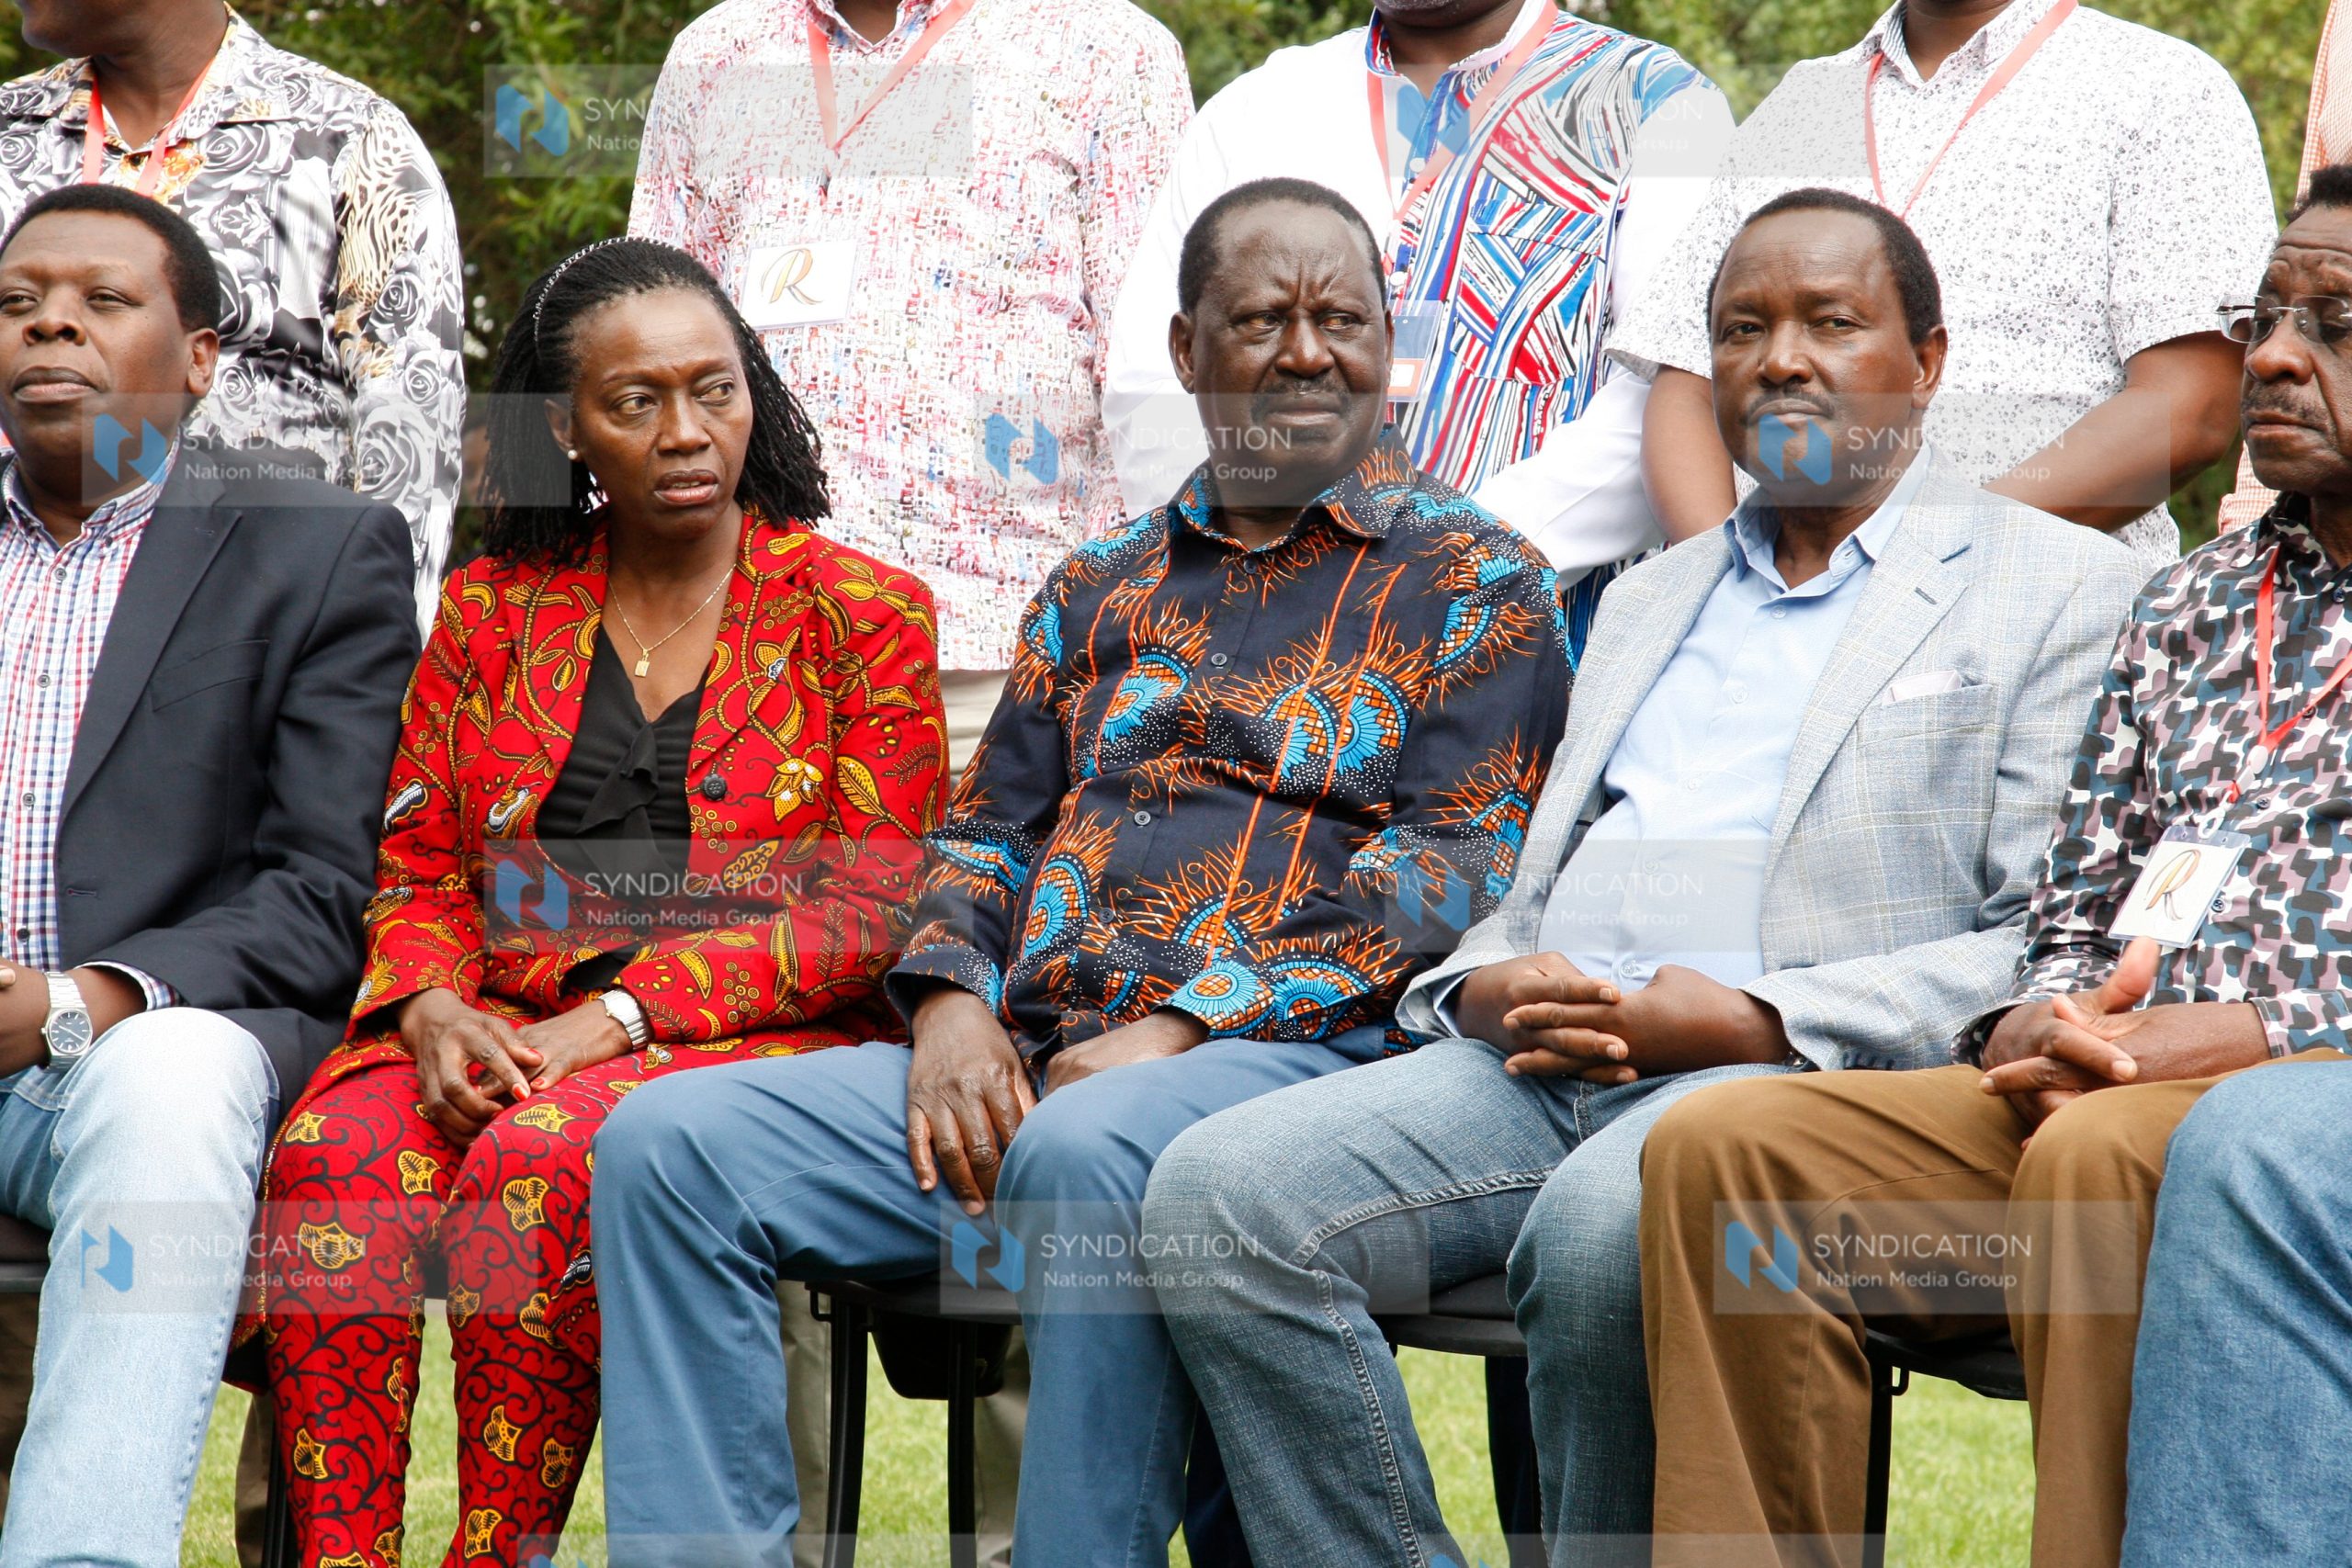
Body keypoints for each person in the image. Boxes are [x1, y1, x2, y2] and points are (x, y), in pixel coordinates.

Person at [1144, 189, 2146, 1568]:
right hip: (1544, 1053)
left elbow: (2046, 939)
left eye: (1830, 323)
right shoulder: (1651, 593)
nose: (1780, 359)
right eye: (1743, 329)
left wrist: (1755, 1019)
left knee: (1608, 1225)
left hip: (1783, 1078)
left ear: (1928, 361)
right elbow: (1539, 869)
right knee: (1215, 1195)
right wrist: (1483, 981)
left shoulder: (2061, 587)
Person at [584, 178, 1570, 1568]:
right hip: (1026, 1058)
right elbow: (983, 836)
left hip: (1292, 1059)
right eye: (1260, 318)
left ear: (1386, 345)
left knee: (1088, 1147)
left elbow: (1442, 880)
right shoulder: (1097, 582)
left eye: (1341, 317)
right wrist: (947, 1007)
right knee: (666, 1146)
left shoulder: (1476, 580)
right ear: (1183, 352)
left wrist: (1174, 1030)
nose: (1305, 349)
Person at [1632, 174, 2352, 1568]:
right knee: (1731, 1149)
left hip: (2286, 1104)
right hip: (2113, 1073)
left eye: (2337, 324)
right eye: (2265, 316)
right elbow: (2078, 895)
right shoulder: (2193, 603)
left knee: (2102, 1151)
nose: (2270, 355)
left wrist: (2262, 1030)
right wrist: (2045, 1013)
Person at [241, 239, 947, 1568]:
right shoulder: (495, 608)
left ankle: (497, 1552)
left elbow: (873, 902)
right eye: (636, 402)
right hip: (496, 1016)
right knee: (341, 1155)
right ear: (566, 427)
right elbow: (421, 862)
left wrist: (622, 1012)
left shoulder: (862, 612)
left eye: (715, 390)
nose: (686, 431)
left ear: (757, 397)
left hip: (747, 1041)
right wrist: (435, 1006)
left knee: (542, 1157)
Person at [0, 183, 414, 1568]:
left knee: (172, 1074)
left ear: (202, 358)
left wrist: (77, 999)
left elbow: (322, 890)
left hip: (120, 1060)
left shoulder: (313, 547)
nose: (48, 321)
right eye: (16, 303)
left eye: (102, 301)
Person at [631, 0, 1190, 775]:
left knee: (991, 902)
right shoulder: (718, 51)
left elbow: (1159, 379)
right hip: (749, 667)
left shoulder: (1108, 47)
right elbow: (644, 356)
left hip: (1011, 680)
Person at [1105, 0, 1734, 660]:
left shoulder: (1661, 109)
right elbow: (1152, 378)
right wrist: (1254, 567)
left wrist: (1423, 570)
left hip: (1532, 666)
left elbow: (1669, 398)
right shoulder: (1260, 108)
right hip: (1248, 647)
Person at [1611, 0, 2273, 575]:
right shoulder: (1804, 103)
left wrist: (1915, 562)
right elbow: (1685, 386)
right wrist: (1732, 588)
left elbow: (2188, 411)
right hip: (1782, 610)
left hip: (2036, 608)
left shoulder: (2159, 87)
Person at [0, 0, 466, 619]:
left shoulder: (344, 140)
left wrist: (370, 660)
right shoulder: (8, 131)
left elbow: (413, 436)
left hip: (249, 641)